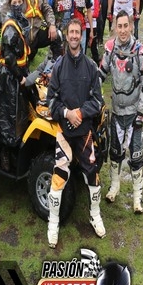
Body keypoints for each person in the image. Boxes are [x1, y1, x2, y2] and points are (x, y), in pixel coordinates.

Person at [46, 19, 105, 248]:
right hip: (64, 131)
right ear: (66, 34)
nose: (73, 36)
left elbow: (98, 101)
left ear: (82, 36)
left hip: (84, 132)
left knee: (93, 174)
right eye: (70, 32)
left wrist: (80, 111)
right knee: (59, 175)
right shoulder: (58, 67)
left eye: (77, 32)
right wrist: (66, 113)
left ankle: (95, 215)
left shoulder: (91, 66)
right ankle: (53, 222)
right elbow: (51, 100)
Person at [98, 10, 143, 214]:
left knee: (136, 156)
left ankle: (137, 199)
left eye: (125, 26)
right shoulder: (110, 48)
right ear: (114, 27)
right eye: (118, 26)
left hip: (134, 114)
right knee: (115, 152)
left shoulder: (140, 51)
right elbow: (101, 73)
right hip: (117, 111)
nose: (122, 30)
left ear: (131, 26)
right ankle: (114, 187)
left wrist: (140, 113)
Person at [0, 0, 31, 171]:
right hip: (9, 79)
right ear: (9, 4)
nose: (17, 5)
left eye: (19, 1)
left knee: (20, 114)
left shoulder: (21, 22)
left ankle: (16, 151)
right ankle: (5, 154)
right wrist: (21, 77)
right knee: (9, 118)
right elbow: (10, 57)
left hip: (20, 75)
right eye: (14, 2)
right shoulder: (10, 26)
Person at [85, 0, 101, 65]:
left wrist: (89, 16)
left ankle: (97, 63)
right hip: (85, 25)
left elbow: (96, 13)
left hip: (93, 25)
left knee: (93, 46)